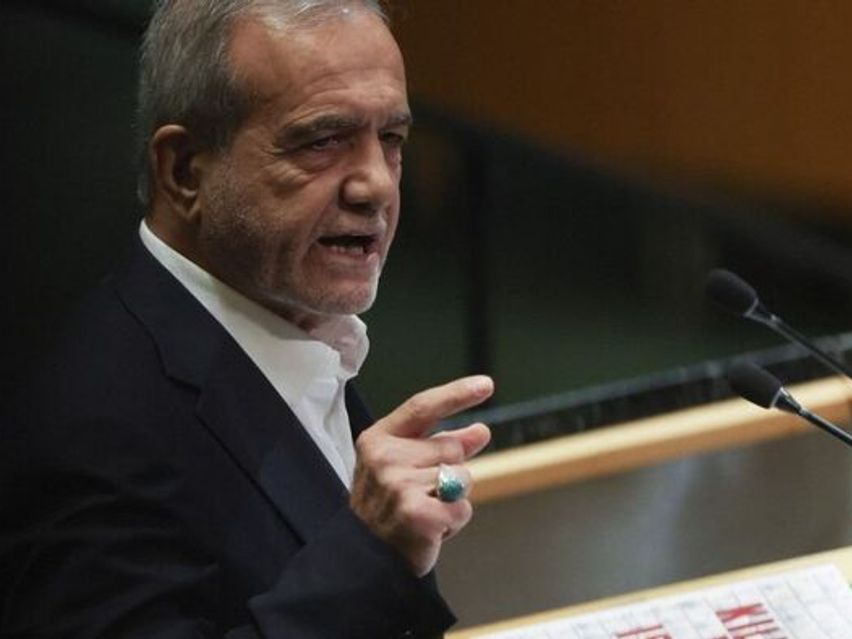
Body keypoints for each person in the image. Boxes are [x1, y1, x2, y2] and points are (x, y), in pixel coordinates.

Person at [0, 1, 494, 636]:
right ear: (184, 170)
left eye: (391, 140)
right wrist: (371, 554)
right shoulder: (92, 426)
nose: (376, 185)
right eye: (323, 141)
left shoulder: (292, 327)